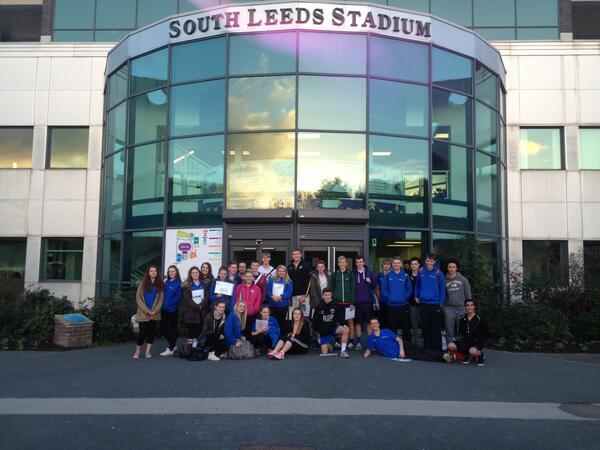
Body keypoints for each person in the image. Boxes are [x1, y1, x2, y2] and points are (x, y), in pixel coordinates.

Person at [363, 317, 452, 363]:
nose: (374, 325)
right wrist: (366, 354)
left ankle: (443, 355)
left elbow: (399, 340)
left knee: (422, 350)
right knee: (421, 356)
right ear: (370, 326)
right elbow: (369, 349)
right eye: (372, 324)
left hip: (403, 346)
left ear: (378, 324)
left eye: (375, 323)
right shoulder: (371, 338)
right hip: (398, 354)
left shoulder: (386, 331)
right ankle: (443, 359)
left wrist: (401, 349)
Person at [415, 254, 446, 351]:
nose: (429, 263)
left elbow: (442, 289)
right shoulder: (421, 271)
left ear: (434, 262)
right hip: (423, 303)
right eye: (428, 261)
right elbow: (417, 285)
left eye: (431, 261)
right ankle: (427, 349)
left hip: (435, 304)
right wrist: (416, 295)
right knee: (425, 327)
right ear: (425, 261)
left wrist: (440, 302)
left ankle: (437, 350)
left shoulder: (438, 273)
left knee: (436, 328)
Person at [446, 299, 489, 366]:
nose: (470, 307)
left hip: (476, 343)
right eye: (468, 305)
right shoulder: (462, 319)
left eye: (472, 305)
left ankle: (481, 355)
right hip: (465, 342)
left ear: (474, 307)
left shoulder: (480, 319)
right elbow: (461, 334)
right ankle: (467, 354)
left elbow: (485, 334)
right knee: (450, 345)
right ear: (465, 307)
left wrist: (478, 345)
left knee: (472, 351)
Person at [134, 265, 164, 359]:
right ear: (148, 272)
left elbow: (161, 299)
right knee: (142, 333)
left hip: (155, 313)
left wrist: (155, 310)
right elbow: (138, 298)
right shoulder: (142, 284)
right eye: (151, 271)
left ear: (157, 273)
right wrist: (147, 311)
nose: (153, 272)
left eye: (155, 271)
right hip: (143, 313)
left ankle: (148, 352)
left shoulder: (159, 284)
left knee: (151, 333)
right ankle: (137, 351)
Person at [382, 257, 413, 345]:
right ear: (392, 264)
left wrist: (404, 298)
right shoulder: (388, 275)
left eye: (398, 263)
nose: (396, 264)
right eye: (394, 263)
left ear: (401, 264)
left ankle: (408, 346)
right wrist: (390, 298)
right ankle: (393, 345)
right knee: (392, 327)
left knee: (406, 327)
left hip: (403, 305)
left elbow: (409, 289)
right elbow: (384, 289)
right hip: (391, 305)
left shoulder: (406, 275)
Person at [312, 288, 350, 358]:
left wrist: (344, 324)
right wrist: (319, 332)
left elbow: (341, 317)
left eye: (329, 295)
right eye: (326, 295)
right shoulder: (319, 306)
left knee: (345, 330)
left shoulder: (335, 304)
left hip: (334, 328)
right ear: (323, 296)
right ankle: (329, 345)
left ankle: (343, 351)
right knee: (325, 353)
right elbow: (314, 321)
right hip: (324, 332)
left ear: (331, 295)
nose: (327, 296)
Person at [444, 258, 473, 344]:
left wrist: (469, 309)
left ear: (456, 268)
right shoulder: (444, 280)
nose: (451, 269)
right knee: (449, 331)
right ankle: (450, 351)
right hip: (449, 309)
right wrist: (444, 308)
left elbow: (468, 296)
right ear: (447, 268)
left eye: (453, 267)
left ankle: (463, 350)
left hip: (462, 308)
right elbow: (442, 296)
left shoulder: (463, 280)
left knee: (463, 331)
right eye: (450, 267)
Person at [331, 255, 356, 348]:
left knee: (350, 321)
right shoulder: (335, 274)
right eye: (340, 262)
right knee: (338, 322)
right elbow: (332, 288)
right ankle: (338, 341)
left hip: (348, 303)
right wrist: (334, 300)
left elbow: (353, 288)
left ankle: (351, 341)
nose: (342, 264)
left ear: (346, 263)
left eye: (343, 262)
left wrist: (352, 302)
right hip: (338, 303)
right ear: (338, 264)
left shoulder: (350, 274)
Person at [182, 266, 209, 348]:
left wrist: (201, 305)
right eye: (193, 273)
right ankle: (189, 349)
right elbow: (188, 300)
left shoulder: (204, 284)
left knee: (199, 331)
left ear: (199, 273)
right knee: (191, 331)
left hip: (202, 312)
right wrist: (198, 307)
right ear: (190, 274)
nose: (195, 274)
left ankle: (195, 348)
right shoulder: (187, 286)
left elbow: (207, 297)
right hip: (191, 312)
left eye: (196, 272)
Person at [352, 256, 375, 350]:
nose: (359, 263)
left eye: (361, 262)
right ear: (356, 263)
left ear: (364, 262)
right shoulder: (353, 273)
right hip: (357, 303)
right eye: (357, 262)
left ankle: (370, 342)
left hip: (368, 302)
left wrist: (370, 281)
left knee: (369, 323)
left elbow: (374, 285)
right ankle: (358, 342)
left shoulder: (369, 272)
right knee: (357, 323)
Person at [160, 265, 183, 357]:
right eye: (170, 271)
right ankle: (173, 345)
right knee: (163, 328)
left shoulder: (179, 284)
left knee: (173, 329)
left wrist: (168, 305)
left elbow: (177, 298)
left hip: (173, 310)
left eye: (173, 271)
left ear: (176, 272)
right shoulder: (166, 283)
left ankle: (171, 347)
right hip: (164, 310)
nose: (171, 273)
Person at [266, 265, 293, 333]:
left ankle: (282, 337)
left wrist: (280, 297)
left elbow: (289, 293)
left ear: (286, 272)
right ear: (277, 272)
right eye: (279, 271)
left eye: (283, 271)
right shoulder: (271, 280)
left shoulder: (289, 281)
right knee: (272, 322)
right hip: (272, 305)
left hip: (282, 306)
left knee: (281, 323)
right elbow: (268, 291)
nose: (281, 273)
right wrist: (272, 296)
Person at [287, 248, 312, 313]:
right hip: (292, 296)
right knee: (293, 315)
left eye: (297, 254)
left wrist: (305, 295)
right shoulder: (289, 267)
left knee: (304, 315)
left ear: (300, 255)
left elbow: (310, 281)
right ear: (292, 256)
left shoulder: (306, 265)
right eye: (294, 254)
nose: (296, 255)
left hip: (304, 296)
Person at [408, 257, 422, 345]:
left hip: (422, 303)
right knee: (414, 325)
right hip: (411, 304)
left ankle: (424, 344)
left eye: (415, 264)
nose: (414, 266)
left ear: (419, 265)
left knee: (423, 323)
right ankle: (416, 344)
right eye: (412, 264)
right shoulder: (407, 276)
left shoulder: (423, 275)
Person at [375, 259, 391, 327]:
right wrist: (378, 300)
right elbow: (377, 288)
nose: (386, 266)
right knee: (382, 319)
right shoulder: (379, 275)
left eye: (388, 264)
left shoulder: (393, 275)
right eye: (385, 264)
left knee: (390, 320)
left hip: (391, 301)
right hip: (382, 301)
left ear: (390, 266)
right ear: (382, 266)